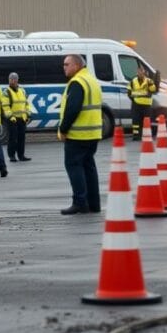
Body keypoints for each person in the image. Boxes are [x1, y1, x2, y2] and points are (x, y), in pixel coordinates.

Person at [58, 55, 102, 214]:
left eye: (67, 64)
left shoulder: (77, 82)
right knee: (89, 168)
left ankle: (80, 202)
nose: (64, 67)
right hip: (93, 133)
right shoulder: (91, 80)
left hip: (78, 135)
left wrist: (63, 129)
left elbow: (72, 109)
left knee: (74, 167)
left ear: (77, 66)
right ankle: (94, 204)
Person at [2, 72, 31, 162]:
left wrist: (27, 114)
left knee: (21, 138)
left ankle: (21, 155)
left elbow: (26, 104)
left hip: (22, 118)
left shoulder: (22, 91)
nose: (12, 81)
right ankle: (12, 156)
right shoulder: (6, 92)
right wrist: (11, 117)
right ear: (9, 80)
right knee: (12, 138)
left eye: (14, 79)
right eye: (11, 79)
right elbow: (5, 106)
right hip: (12, 119)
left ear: (17, 80)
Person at [128, 65, 157, 141]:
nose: (140, 73)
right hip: (136, 104)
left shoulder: (149, 81)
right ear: (137, 72)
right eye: (139, 71)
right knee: (136, 121)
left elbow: (153, 90)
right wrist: (134, 100)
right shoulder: (133, 81)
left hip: (146, 105)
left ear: (144, 72)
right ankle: (136, 136)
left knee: (147, 121)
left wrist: (153, 83)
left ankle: (147, 135)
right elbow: (129, 92)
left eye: (142, 71)